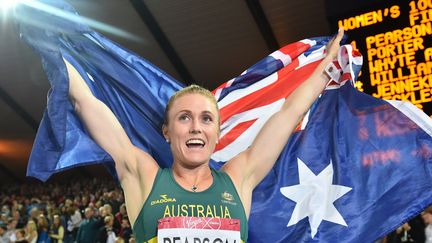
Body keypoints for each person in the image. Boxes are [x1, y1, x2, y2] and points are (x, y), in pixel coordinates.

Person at [64, 28, 344, 242]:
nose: (196, 126)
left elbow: (290, 112)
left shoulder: (239, 178)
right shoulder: (144, 175)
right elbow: (85, 103)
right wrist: (51, 44)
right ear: (167, 132)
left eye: (206, 119)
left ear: (217, 132)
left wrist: (327, 67)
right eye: (184, 118)